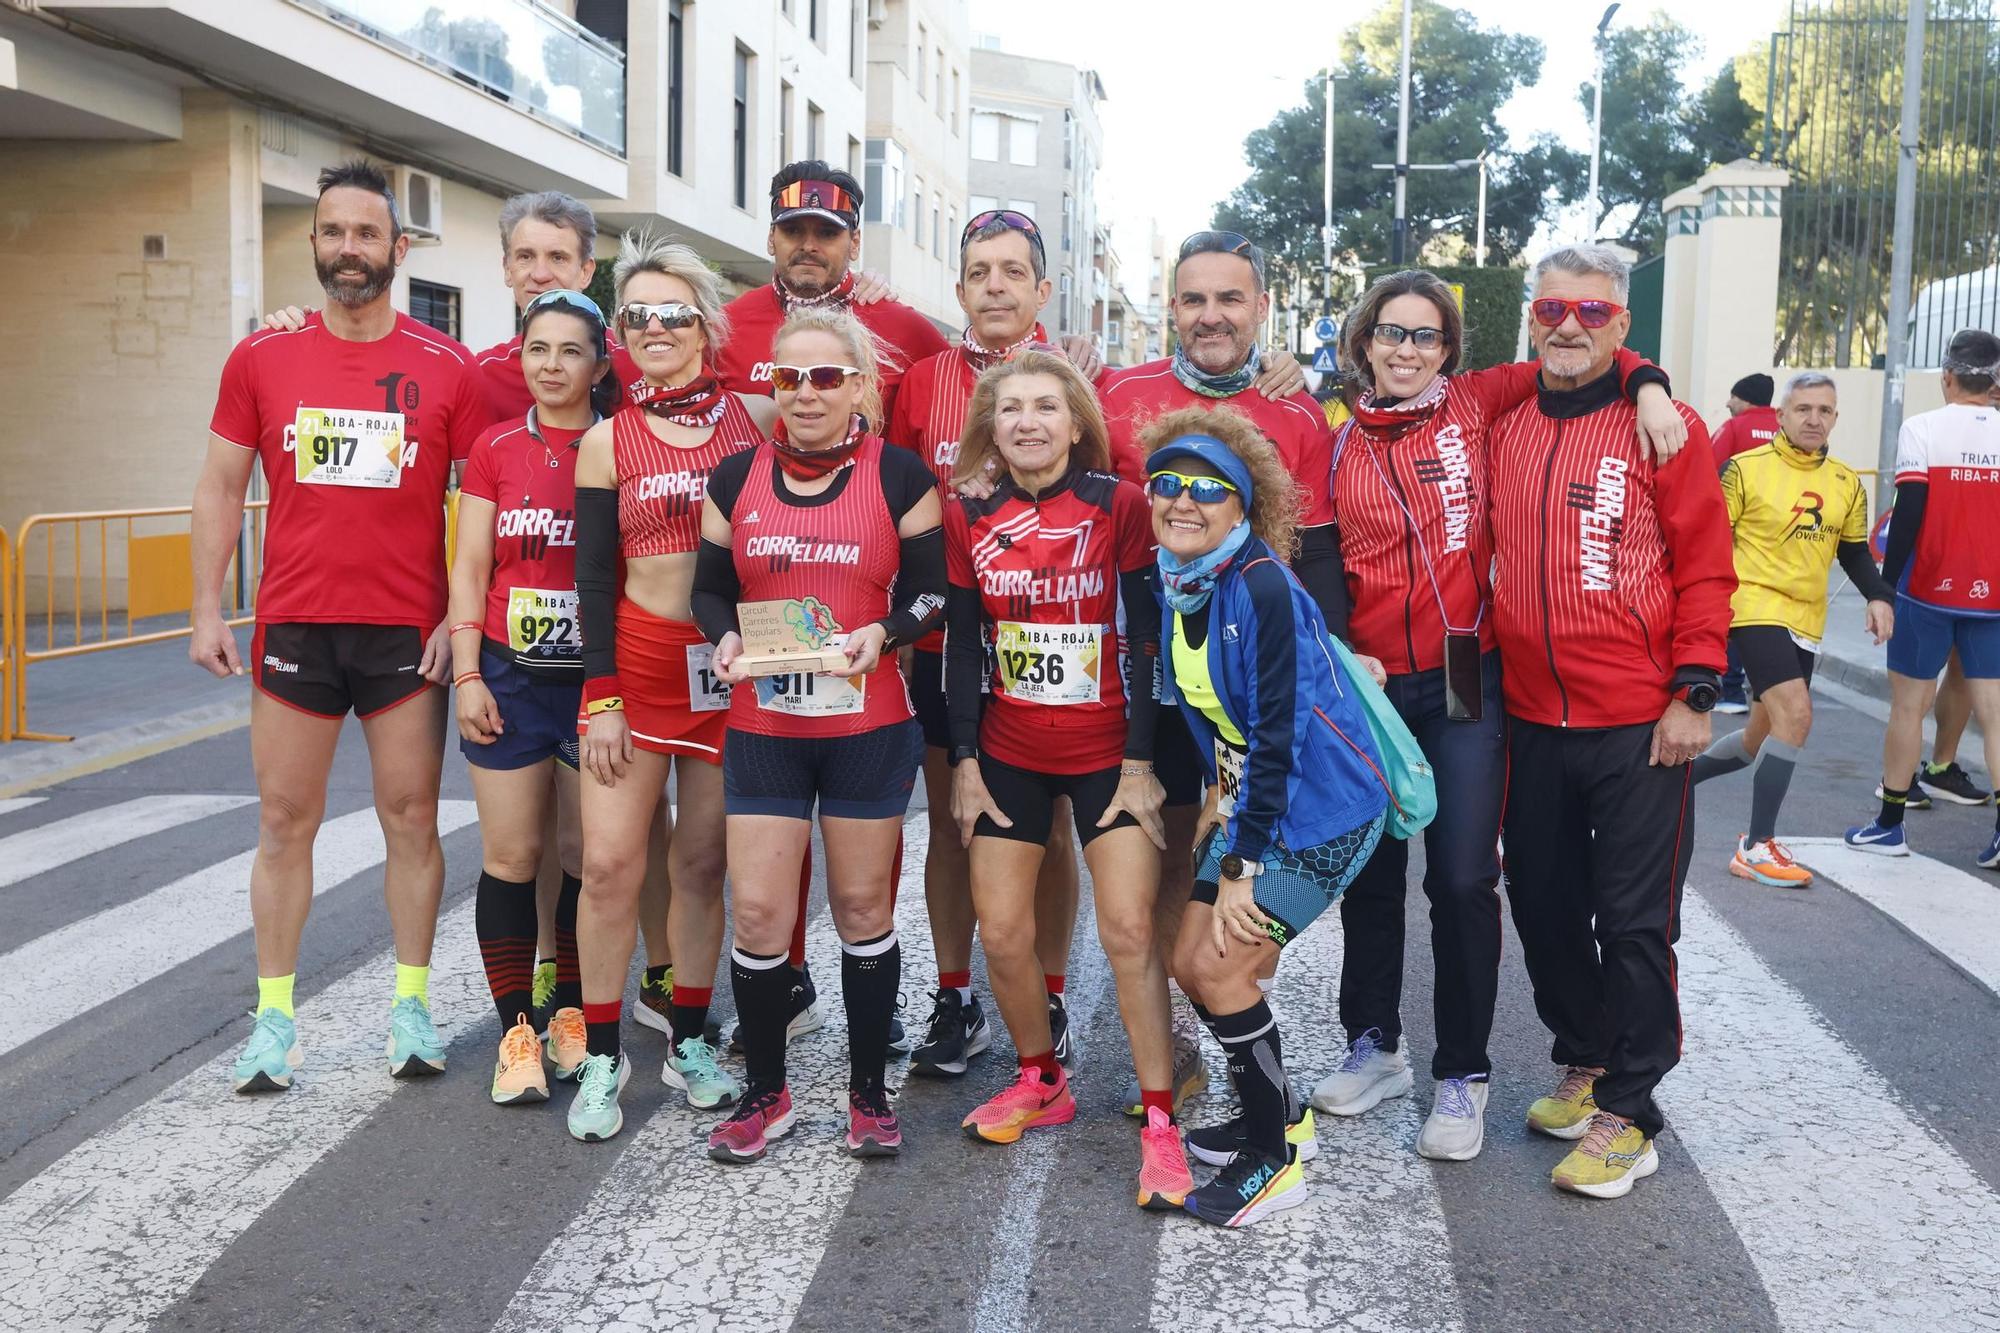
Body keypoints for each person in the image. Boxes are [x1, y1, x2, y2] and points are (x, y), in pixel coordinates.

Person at [259, 190, 679, 1035]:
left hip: (616, 649)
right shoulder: (470, 370)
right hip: (504, 652)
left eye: (557, 258)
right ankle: (538, 1000)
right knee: (523, 840)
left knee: (614, 835)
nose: (540, 272)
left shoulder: (635, 370)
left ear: (587, 271)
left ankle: (657, 975)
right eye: (525, 257)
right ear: (504, 270)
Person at [1322, 268, 1682, 1161]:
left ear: (1451, 350)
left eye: (1427, 336)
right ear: (1365, 341)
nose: (1408, 350)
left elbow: (1584, 350)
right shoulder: (1331, 438)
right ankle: (1376, 1045)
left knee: (1460, 879)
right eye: (1392, 334)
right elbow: (1317, 554)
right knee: (1368, 873)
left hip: (1464, 683)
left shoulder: (1483, 400)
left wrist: (1649, 381)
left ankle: (1462, 1073)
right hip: (1369, 683)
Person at [191, 161, 496, 1092]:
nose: (349, 250)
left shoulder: (445, 367)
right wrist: (207, 604)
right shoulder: (261, 357)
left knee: (410, 816)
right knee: (285, 821)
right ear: (314, 244)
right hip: (296, 624)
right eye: (334, 233)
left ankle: (411, 1006)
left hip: (407, 633)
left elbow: (478, 504)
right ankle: (273, 1020)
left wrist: (459, 616)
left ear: (399, 250)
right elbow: (220, 484)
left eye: (367, 234)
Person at [1487, 244, 1735, 1199]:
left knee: (1635, 924)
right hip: (1529, 719)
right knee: (1545, 906)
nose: (1568, 327)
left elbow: (1706, 562)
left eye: (1593, 315)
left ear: (1623, 326)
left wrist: (1696, 690)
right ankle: (1584, 1058)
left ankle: (1633, 1112)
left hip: (1641, 722)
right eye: (1553, 308)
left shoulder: (1669, 430)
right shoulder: (1505, 417)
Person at [691, 308, 945, 1163]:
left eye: (825, 376)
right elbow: (709, 589)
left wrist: (889, 634)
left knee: (863, 907)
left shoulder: (900, 474)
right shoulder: (735, 476)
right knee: (760, 910)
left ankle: (868, 1094)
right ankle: (768, 1095)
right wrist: (721, 636)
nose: (804, 393)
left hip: (866, 723)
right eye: (788, 377)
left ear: (859, 385)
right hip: (765, 720)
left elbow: (933, 590)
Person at [942, 350, 1191, 1207]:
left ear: (1077, 423)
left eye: (1046, 406)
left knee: (1128, 932)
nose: (1027, 421)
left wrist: (1141, 762)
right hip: (1009, 746)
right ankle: (1041, 1076)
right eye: (1009, 408)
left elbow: (1152, 639)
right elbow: (961, 643)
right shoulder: (968, 511)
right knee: (1002, 933)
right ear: (991, 426)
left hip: (1107, 754)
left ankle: (1161, 1121)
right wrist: (965, 760)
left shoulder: (1119, 505)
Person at [712, 161, 951, 1043]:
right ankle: (786, 984)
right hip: (766, 602)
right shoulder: (728, 324)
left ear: (854, 241)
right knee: (762, 848)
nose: (808, 246)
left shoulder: (901, 326)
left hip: (869, 603)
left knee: (859, 842)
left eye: (828, 232)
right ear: (771, 238)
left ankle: (870, 1001)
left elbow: (966, 386)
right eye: (793, 231)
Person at [1141, 413, 1390, 1227]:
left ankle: (1272, 1160)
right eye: (1168, 484)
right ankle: (1280, 1118)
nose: (1184, 501)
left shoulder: (1262, 585)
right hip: (1253, 801)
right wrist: (1218, 797)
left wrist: (1242, 858)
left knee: (1221, 969)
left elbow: (1279, 729)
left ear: (1243, 504)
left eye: (1208, 488)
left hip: (1318, 810)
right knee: (1189, 957)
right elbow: (1216, 713)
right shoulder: (1178, 579)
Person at [1097, 228, 1323, 1119]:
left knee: (1241, 866)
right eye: (1193, 299)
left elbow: (1321, 550)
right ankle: (1184, 1047)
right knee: (1165, 855)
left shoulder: (1300, 412)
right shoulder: (1118, 392)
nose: (1211, 315)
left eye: (1230, 298)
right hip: (1151, 668)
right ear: (1171, 310)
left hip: (1246, 680)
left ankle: (1233, 1018)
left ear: (1260, 308)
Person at [560, 232, 778, 1141]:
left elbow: (853, 413)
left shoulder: (759, 416)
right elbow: (595, 577)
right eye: (634, 316)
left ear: (706, 326)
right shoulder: (608, 439)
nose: (651, 329)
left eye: (670, 314)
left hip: (732, 670)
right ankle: (605, 1057)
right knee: (611, 865)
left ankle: (689, 1038)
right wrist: (599, 692)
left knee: (699, 864)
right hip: (639, 671)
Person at [888, 210, 1084, 1078]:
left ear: (1043, 289)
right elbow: (888, 507)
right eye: (979, 272)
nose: (996, 285)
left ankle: (1050, 994)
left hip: (1056, 653)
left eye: (1013, 271)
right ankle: (954, 995)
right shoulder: (923, 379)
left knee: (1053, 834)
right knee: (952, 824)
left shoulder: (1078, 379)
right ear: (960, 289)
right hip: (946, 648)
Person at [447, 289, 618, 1102]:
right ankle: (517, 1029)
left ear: (598, 362)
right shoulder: (494, 448)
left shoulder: (621, 445)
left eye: (569, 350)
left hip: (597, 682)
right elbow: (471, 568)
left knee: (587, 857)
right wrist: (469, 670)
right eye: (538, 349)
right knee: (513, 856)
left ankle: (571, 1016)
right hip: (509, 677)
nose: (551, 365)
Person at [1691, 373, 1892, 887]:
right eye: (1803, 409)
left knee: (1762, 736)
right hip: (1752, 605)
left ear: (1835, 419)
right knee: (1797, 715)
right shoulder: (1743, 470)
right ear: (1780, 415)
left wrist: (1878, 596)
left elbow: (1852, 551)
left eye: (1824, 411)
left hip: (1807, 618)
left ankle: (1671, 783)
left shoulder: (1847, 482)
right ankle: (1757, 846)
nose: (1813, 419)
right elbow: (1708, 538)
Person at [1846, 328, 2000, 869]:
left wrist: (1884, 588)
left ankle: (1890, 826)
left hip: (1927, 590)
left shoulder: (1922, 428)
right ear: (1995, 381)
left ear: (1947, 377)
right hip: (1993, 596)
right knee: (1996, 715)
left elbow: (1908, 510)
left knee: (1908, 707)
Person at [1712, 375, 1778, 713]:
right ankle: (1771, 690)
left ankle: (1732, 690)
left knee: (1734, 607)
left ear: (1746, 400)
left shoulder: (1734, 428)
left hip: (1739, 537)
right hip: (1784, 540)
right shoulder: (1787, 426)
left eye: (1733, 397)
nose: (1728, 403)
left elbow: (1708, 472)